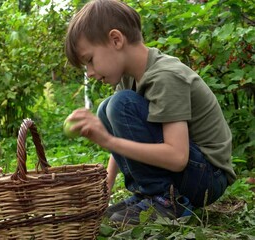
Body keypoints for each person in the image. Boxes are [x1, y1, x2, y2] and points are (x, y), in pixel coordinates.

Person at [64, 0, 236, 225]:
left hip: (207, 177)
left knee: (118, 104)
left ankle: (168, 200)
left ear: (116, 40)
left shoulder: (165, 77)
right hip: (191, 172)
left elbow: (177, 158)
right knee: (107, 108)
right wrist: (106, 187)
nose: (90, 73)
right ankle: (150, 195)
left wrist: (107, 140)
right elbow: (124, 131)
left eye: (90, 60)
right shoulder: (129, 77)